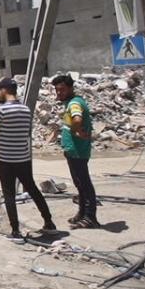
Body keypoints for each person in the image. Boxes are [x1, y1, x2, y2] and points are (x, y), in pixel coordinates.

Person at [0, 77, 55, 240]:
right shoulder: (25, 109)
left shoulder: (2, 110)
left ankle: (15, 231)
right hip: (23, 158)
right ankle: (49, 222)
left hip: (5, 159)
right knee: (33, 189)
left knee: (8, 194)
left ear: (3, 91)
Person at [50, 74, 100, 229]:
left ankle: (90, 216)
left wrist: (76, 131)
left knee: (84, 183)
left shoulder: (74, 104)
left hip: (78, 151)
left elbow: (77, 119)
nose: (59, 93)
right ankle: (82, 212)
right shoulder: (71, 103)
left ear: (71, 88)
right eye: (57, 91)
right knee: (79, 183)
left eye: (62, 90)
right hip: (73, 151)